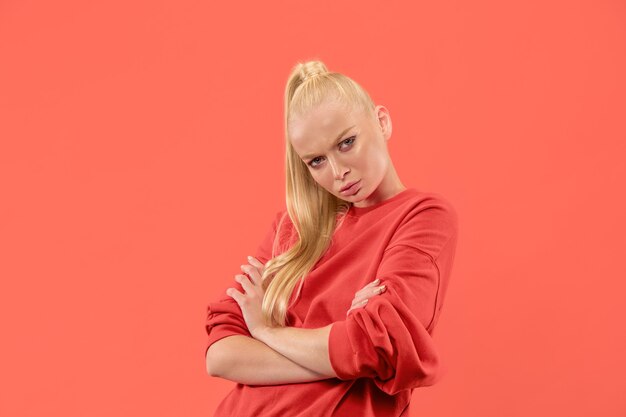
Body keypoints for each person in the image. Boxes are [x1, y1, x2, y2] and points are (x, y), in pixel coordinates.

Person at [203, 59, 459, 417]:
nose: (339, 172)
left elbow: (374, 347)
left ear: (381, 121)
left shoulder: (422, 216)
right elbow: (221, 355)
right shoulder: (290, 228)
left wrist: (265, 332)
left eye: (347, 143)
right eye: (316, 161)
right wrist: (337, 349)